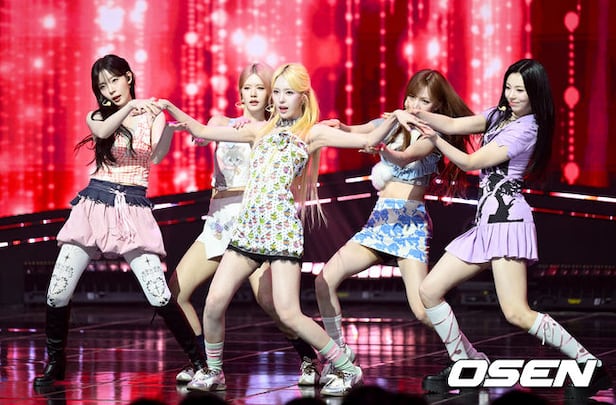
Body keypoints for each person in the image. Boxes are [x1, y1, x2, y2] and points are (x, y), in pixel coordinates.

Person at [155, 63, 399, 397]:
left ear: (303, 97)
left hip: (280, 231)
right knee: (214, 302)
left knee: (288, 312)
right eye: (279, 92)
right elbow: (202, 130)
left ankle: (345, 366)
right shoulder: (259, 130)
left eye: (289, 93)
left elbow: (369, 138)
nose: (281, 99)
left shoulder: (311, 133)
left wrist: (399, 117)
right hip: (247, 230)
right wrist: (170, 108)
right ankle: (213, 371)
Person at [398, 59, 612, 399]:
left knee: (516, 312)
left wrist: (434, 138)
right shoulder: (499, 114)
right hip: (486, 223)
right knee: (429, 291)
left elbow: (470, 162)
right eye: (509, 87)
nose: (511, 95)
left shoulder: (528, 129)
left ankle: (590, 364)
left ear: (535, 94)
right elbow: (453, 122)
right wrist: (413, 114)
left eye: (520, 90)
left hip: (508, 223)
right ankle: (466, 363)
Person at [33, 54, 206, 387]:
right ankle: (55, 362)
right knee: (57, 293)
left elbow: (156, 156)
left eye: (114, 80)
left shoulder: (151, 116)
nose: (109, 89)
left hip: (133, 210)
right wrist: (130, 108)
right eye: (102, 85)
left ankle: (200, 363)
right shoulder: (99, 115)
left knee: (159, 295)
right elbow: (102, 130)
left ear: (128, 77)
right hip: (94, 206)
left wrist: (170, 129)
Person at [314, 69, 475, 384]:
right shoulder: (391, 122)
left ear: (437, 107)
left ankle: (468, 356)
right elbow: (359, 130)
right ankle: (339, 354)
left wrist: (380, 148)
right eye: (412, 97)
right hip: (380, 223)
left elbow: (404, 158)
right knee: (324, 280)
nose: (415, 105)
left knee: (422, 310)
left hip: (409, 225)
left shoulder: (430, 137)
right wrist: (340, 127)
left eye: (424, 101)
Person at [169, 62, 319, 386]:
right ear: (239, 92)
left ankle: (308, 358)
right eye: (247, 88)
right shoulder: (221, 122)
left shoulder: (272, 132)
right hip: (219, 219)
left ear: (270, 95)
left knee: (272, 303)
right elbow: (203, 133)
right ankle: (202, 363)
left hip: (253, 221)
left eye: (260, 88)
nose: (253, 94)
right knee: (175, 292)